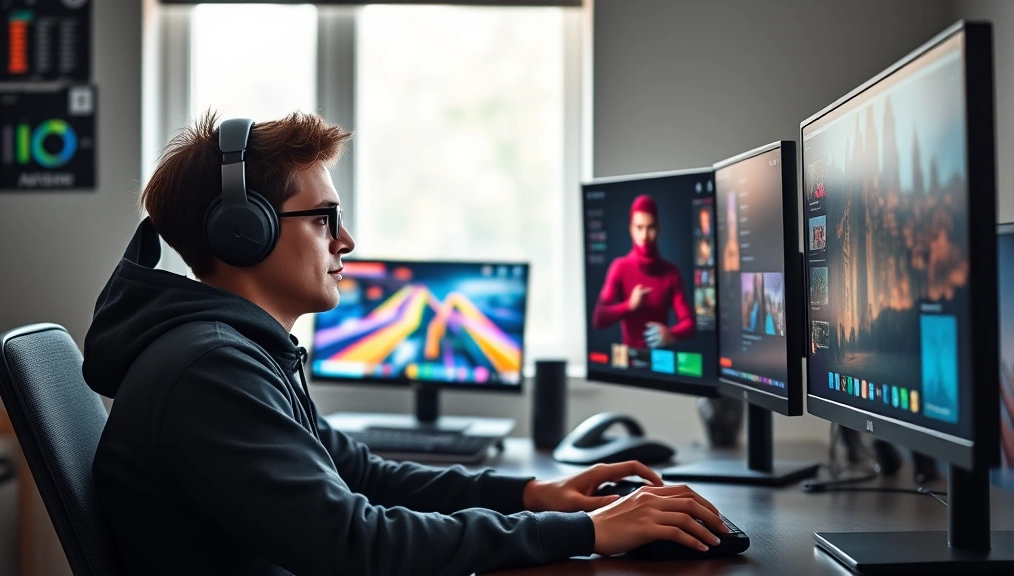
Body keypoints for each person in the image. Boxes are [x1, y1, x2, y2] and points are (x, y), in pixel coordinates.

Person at [83, 113, 726, 576]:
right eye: (324, 219)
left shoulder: (239, 353)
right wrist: (586, 531)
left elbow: (358, 475)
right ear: (242, 233)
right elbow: (354, 544)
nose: (347, 241)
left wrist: (534, 495)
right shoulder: (210, 369)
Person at [592, 195, 695, 349]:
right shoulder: (619, 267)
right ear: (631, 229)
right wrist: (629, 305)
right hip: (627, 367)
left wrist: (671, 333)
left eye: (650, 227)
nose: (644, 236)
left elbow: (690, 324)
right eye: (639, 228)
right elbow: (598, 319)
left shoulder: (671, 273)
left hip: (660, 366)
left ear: (658, 229)